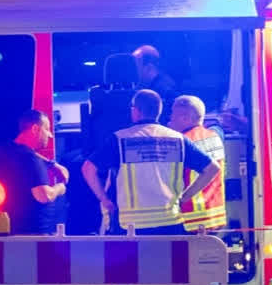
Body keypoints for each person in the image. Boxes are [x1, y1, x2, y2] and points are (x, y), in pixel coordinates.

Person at [81, 89, 220, 236]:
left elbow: (88, 169)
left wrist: (105, 199)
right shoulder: (178, 139)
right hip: (169, 220)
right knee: (169, 260)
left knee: (132, 260)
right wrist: (185, 196)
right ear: (158, 112)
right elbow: (212, 168)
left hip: (132, 224)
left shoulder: (120, 139)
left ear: (135, 111)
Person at [0, 109, 68, 234]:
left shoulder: (6, 151)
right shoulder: (30, 159)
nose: (49, 135)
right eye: (46, 129)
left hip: (14, 228)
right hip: (36, 233)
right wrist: (60, 188)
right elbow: (44, 196)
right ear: (35, 129)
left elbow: (27, 152)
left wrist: (52, 164)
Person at [167, 95, 227, 233]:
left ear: (185, 118)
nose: (169, 120)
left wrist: (182, 198)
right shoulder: (214, 136)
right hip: (214, 217)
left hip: (190, 219)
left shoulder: (182, 142)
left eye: (173, 116)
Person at [132, 45, 179, 121]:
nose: (131, 71)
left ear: (149, 68)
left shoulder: (166, 91)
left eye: (135, 66)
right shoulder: (147, 86)